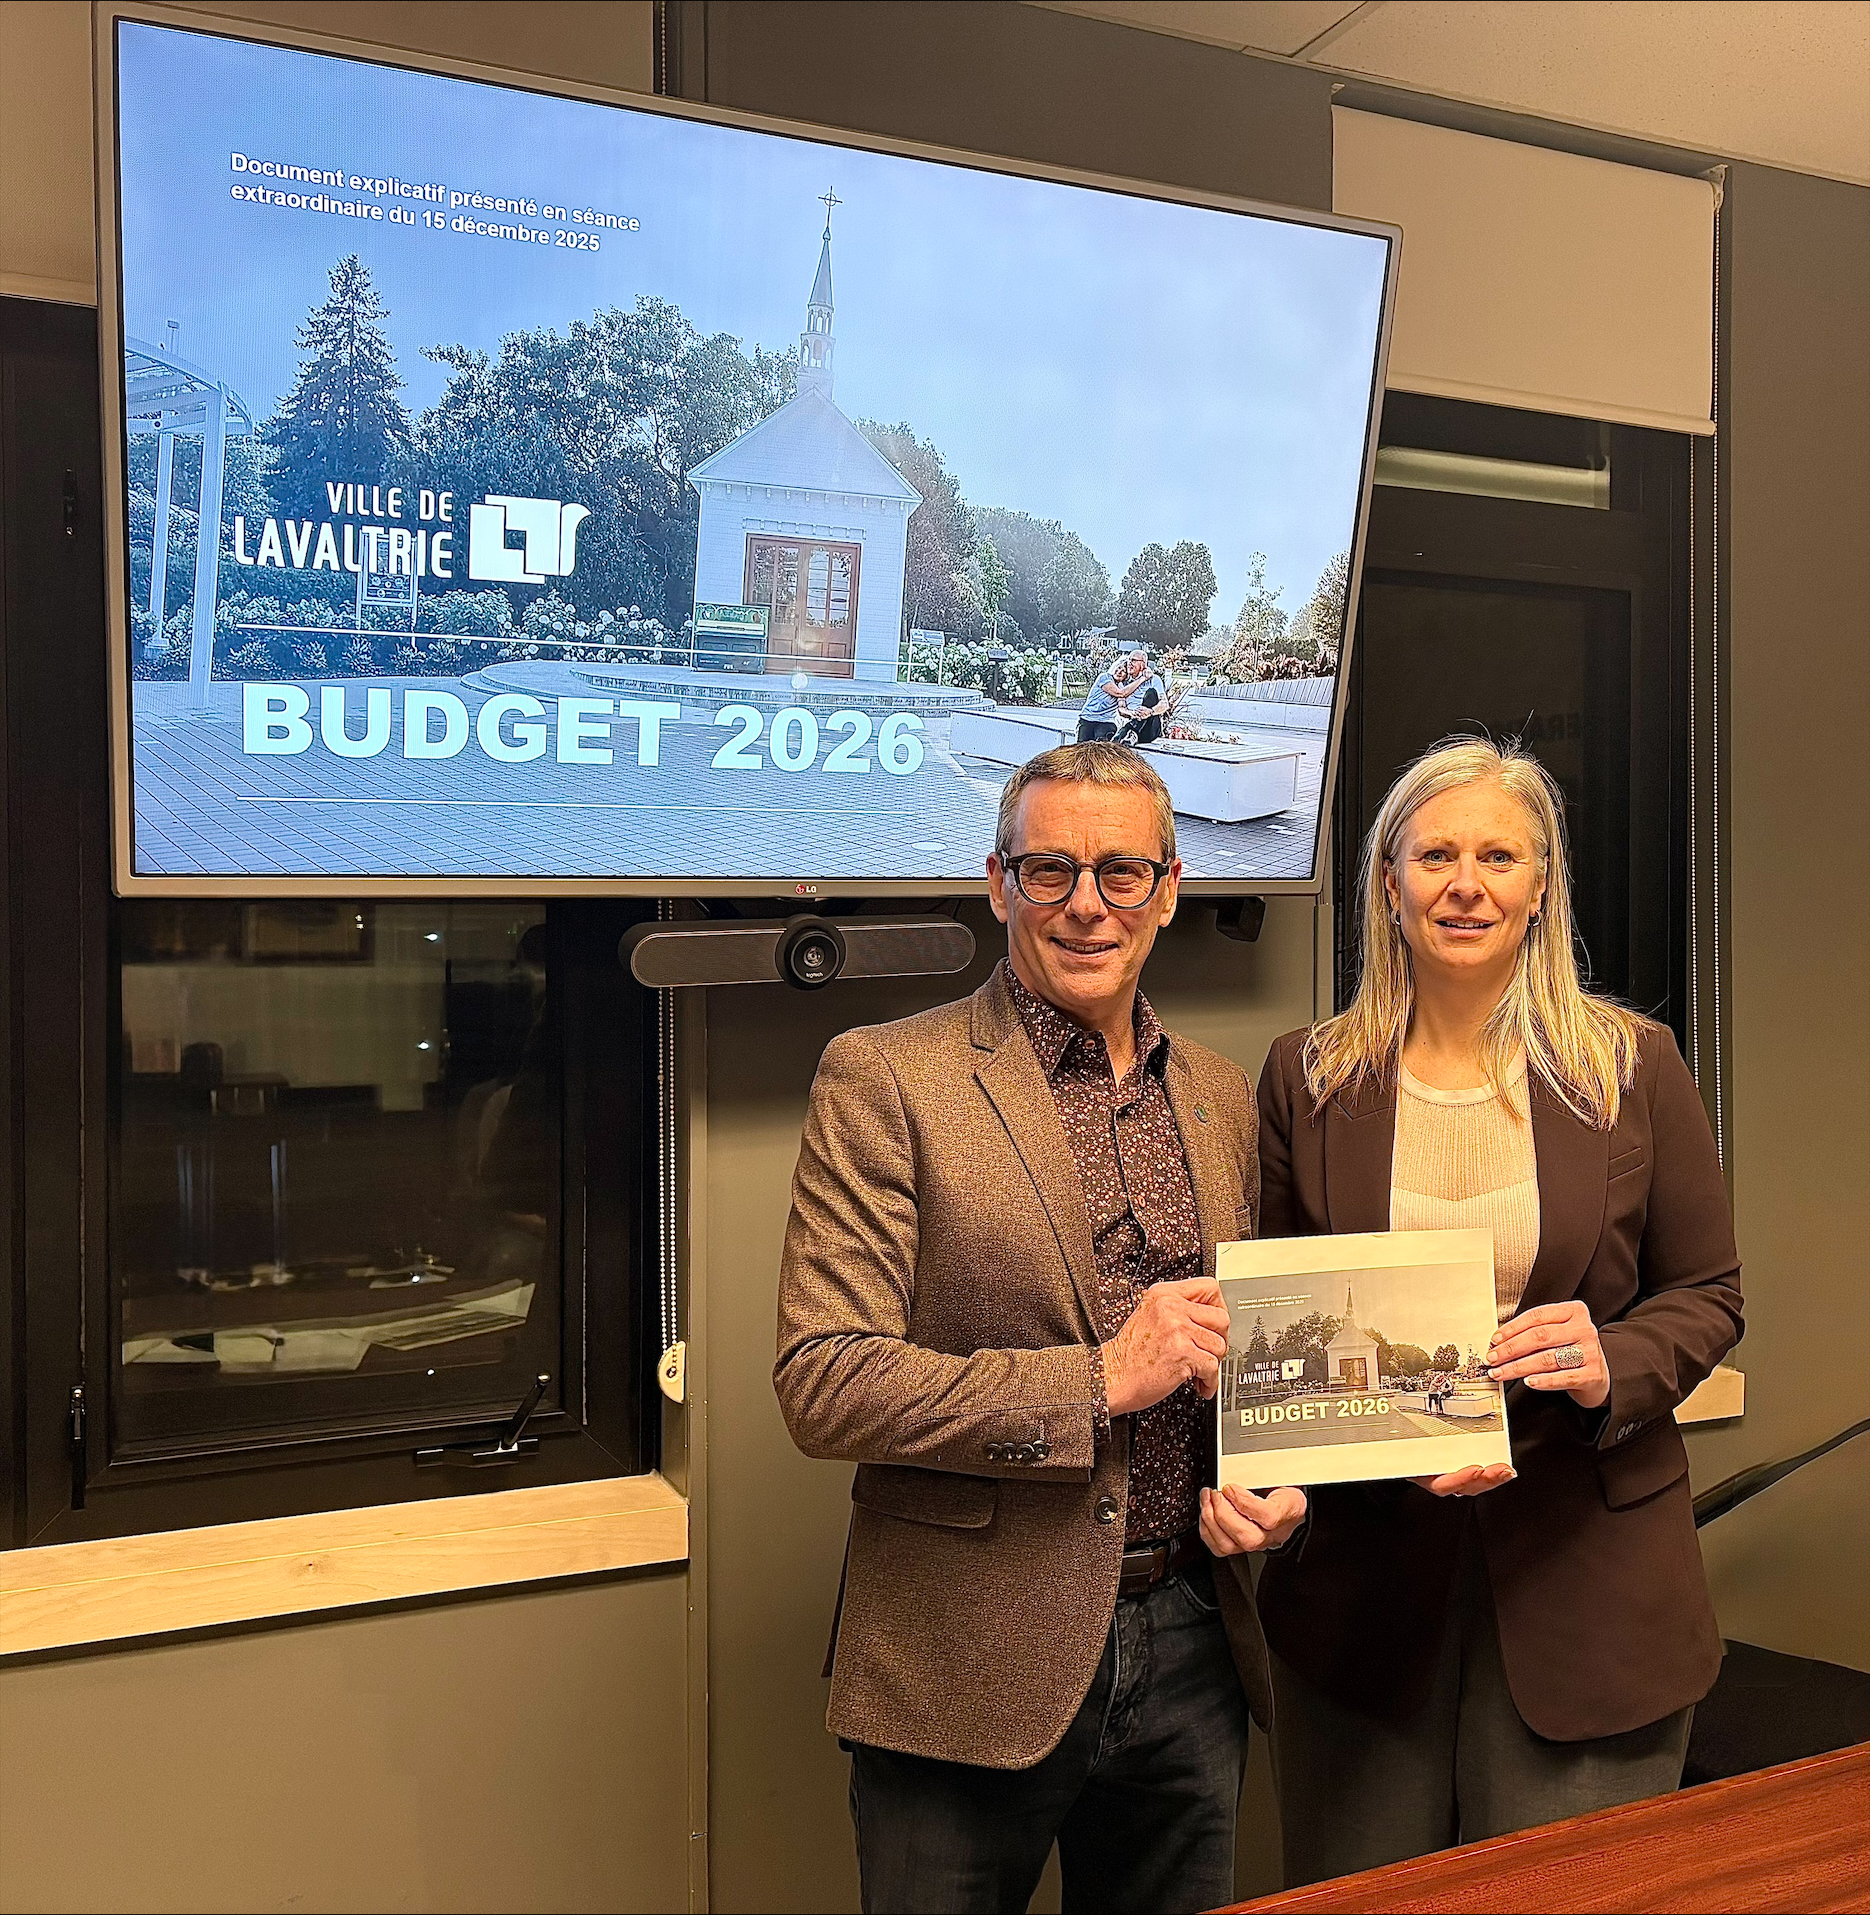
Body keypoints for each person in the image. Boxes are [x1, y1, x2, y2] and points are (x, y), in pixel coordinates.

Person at [775, 742, 1307, 1915]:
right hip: (964, 1660)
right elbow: (825, 1379)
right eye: (1049, 868)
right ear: (996, 879)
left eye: (1121, 873)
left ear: (1169, 890)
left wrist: (1274, 1475)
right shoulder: (885, 1078)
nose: (1085, 904)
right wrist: (1098, 1380)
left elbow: (1249, 1354)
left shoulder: (1221, 1095)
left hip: (1193, 1646)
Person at [1253, 736, 1743, 1886]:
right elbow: (1276, 1318)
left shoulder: (1632, 1065)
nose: (1463, 882)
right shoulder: (1308, 1076)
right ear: (1387, 882)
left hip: (1588, 1581)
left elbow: (1709, 1294)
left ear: (1539, 886)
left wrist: (1608, 1356)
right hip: (1365, 1595)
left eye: (1496, 855)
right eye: (1433, 853)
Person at [1075, 651, 1143, 742]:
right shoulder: (1105, 677)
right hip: (1088, 718)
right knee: (1082, 750)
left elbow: (1121, 706)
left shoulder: (1122, 687)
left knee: (1102, 745)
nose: (1119, 672)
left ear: (1127, 676)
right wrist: (1142, 679)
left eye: (1123, 671)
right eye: (1118, 668)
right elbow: (1120, 693)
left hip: (1106, 721)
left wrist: (1132, 713)